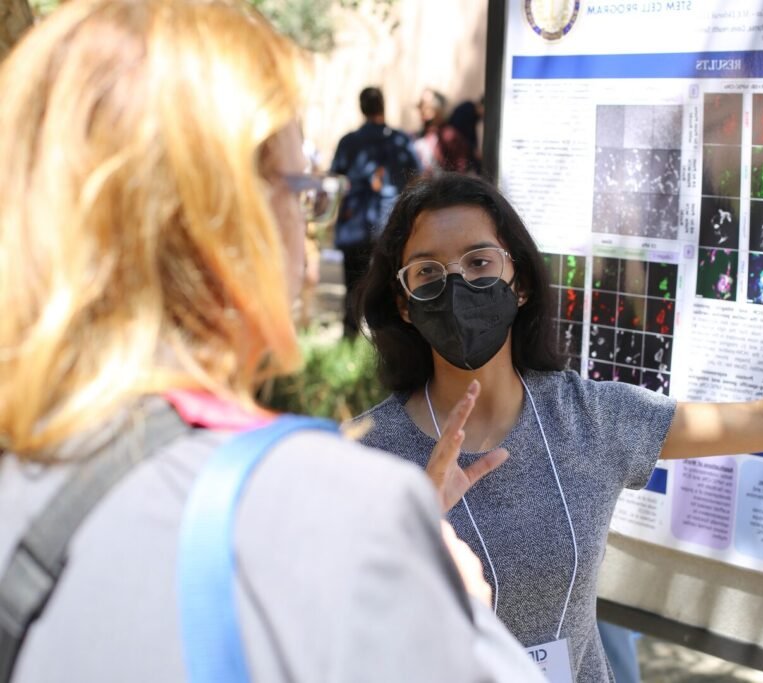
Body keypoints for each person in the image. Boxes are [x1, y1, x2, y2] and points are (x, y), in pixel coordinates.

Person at [0, 3, 543, 682]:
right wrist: (454, 602)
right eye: (302, 193)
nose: (308, 228)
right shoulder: (339, 511)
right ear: (227, 221)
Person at [353, 172, 763, 682]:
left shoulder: (589, 418)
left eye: (479, 262)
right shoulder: (367, 457)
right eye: (427, 274)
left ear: (519, 281)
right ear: (405, 306)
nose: (458, 285)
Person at [330, 86, 420, 335]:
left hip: (355, 221)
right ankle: (391, 333)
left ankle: (351, 331)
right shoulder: (401, 140)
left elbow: (337, 178)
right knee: (393, 279)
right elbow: (416, 176)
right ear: (383, 105)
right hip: (391, 220)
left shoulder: (348, 142)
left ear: (362, 108)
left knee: (354, 281)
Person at [414, 87, 474, 175]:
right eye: (420, 105)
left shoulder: (449, 135)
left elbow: (460, 168)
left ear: (438, 108)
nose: (422, 109)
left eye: (426, 105)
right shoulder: (420, 135)